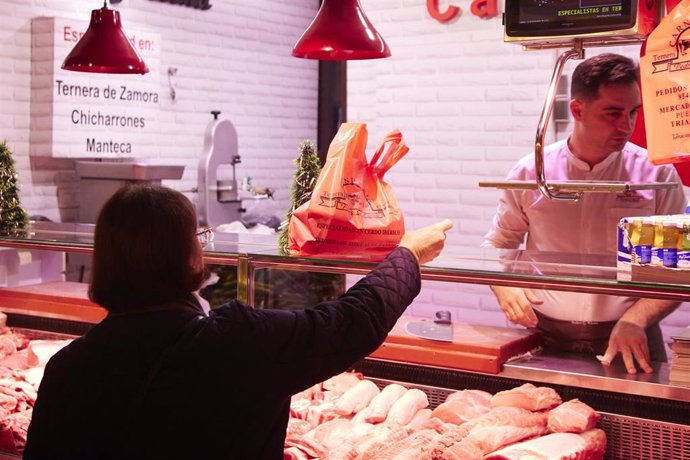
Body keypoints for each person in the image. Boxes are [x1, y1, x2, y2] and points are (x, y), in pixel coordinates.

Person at [23, 184, 452, 459]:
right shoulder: (238, 344)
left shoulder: (69, 369)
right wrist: (408, 254)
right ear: (187, 256)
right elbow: (354, 320)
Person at [483, 53, 687, 375]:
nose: (627, 125)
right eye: (613, 113)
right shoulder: (531, 172)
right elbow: (500, 243)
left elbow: (674, 267)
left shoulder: (655, 174)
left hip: (630, 335)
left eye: (633, 112)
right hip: (543, 335)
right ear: (577, 109)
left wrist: (636, 318)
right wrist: (504, 285)